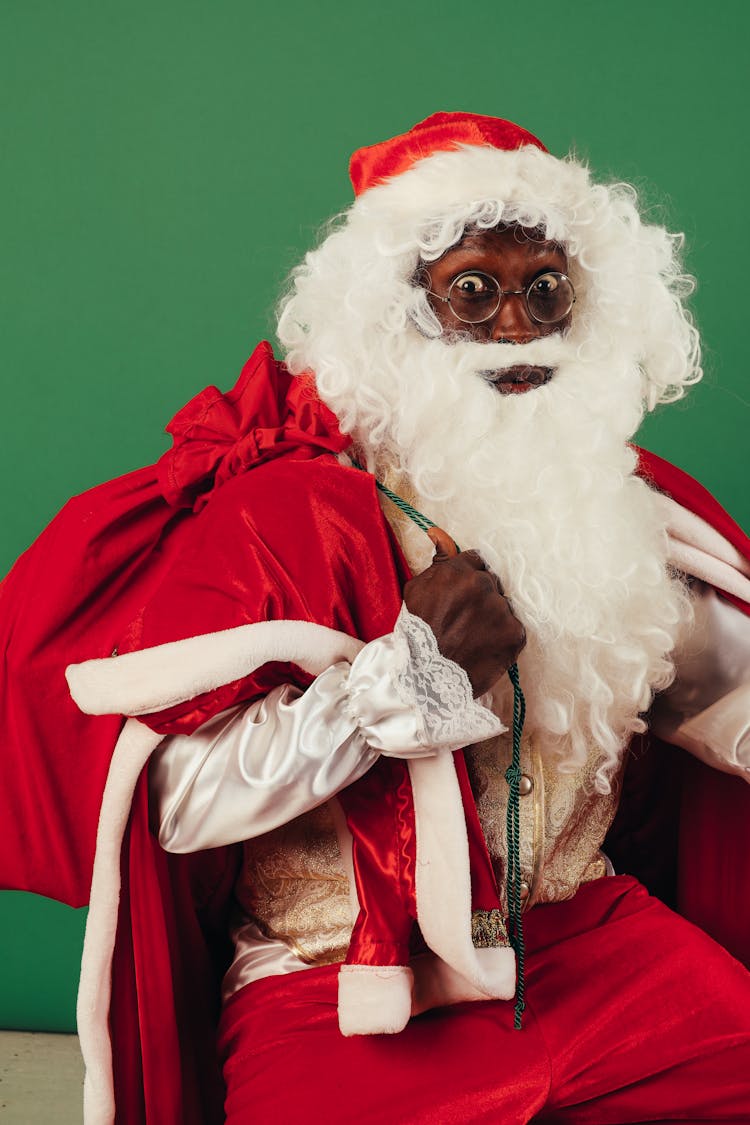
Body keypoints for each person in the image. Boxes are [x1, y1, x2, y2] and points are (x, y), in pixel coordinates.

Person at [2, 111, 750, 1124]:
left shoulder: (622, 510)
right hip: (345, 983)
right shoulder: (292, 511)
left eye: (545, 291)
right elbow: (174, 803)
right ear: (399, 312)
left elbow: (721, 696)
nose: (520, 329)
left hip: (590, 946)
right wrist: (412, 674)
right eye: (474, 292)